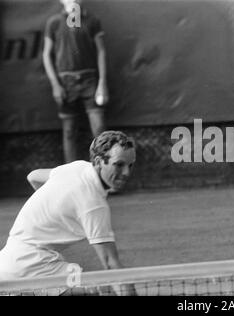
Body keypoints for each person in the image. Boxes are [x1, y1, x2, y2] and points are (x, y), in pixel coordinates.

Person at [0, 131, 136, 295]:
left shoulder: (77, 167)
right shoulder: (94, 205)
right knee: (100, 290)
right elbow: (110, 264)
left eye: (130, 165)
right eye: (119, 165)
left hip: (10, 262)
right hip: (32, 267)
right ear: (100, 162)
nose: (127, 172)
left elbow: (33, 176)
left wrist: (54, 209)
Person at [43, 0, 109, 163]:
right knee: (69, 131)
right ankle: (70, 179)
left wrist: (102, 82)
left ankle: (104, 176)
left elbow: (101, 52)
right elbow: (46, 55)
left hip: (90, 81)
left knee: (99, 129)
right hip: (65, 83)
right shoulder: (54, 22)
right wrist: (55, 85)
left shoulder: (92, 20)